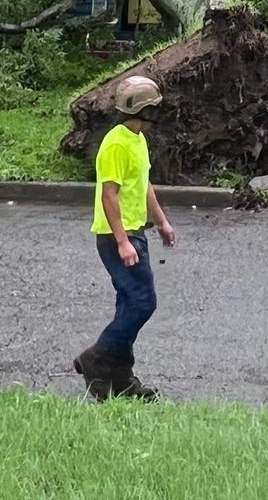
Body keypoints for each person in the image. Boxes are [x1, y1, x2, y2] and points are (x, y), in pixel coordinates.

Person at [73, 74, 177, 401]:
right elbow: (109, 195)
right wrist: (122, 241)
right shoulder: (116, 143)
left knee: (128, 305)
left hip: (135, 232)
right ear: (145, 110)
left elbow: (143, 185)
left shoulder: (137, 139)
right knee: (144, 303)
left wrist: (161, 222)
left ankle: (121, 379)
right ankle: (97, 360)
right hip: (116, 237)